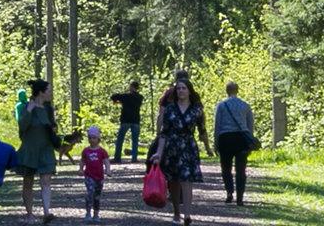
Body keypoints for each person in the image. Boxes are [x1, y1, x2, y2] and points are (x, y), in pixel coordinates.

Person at [153, 70, 209, 225]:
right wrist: (158, 152)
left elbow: (202, 130)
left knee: (187, 180)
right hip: (172, 147)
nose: (181, 91)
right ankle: (177, 211)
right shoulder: (170, 109)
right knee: (174, 182)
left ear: (190, 91)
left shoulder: (197, 109)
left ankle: (187, 215)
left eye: (184, 88)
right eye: (178, 88)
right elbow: (164, 133)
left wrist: (209, 147)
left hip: (188, 147)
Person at [16, 79, 59, 223]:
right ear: (41, 92)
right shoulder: (27, 107)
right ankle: (29, 214)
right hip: (30, 150)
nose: (51, 93)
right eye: (48, 90)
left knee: (46, 181)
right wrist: (29, 110)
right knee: (28, 182)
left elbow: (52, 126)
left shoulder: (48, 109)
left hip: (46, 149)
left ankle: (47, 212)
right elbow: (22, 126)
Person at [213, 81, 257, 205]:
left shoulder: (221, 106)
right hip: (241, 139)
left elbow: (218, 125)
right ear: (238, 90)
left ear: (227, 91)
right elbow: (250, 125)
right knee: (241, 169)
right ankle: (240, 197)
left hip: (226, 138)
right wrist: (250, 141)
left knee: (226, 168)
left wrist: (216, 142)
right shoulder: (245, 105)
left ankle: (229, 192)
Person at [78, 126, 109, 223]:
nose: (92, 140)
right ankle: (88, 213)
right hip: (89, 176)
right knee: (90, 193)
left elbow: (106, 162)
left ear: (98, 139)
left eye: (94, 137)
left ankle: (96, 214)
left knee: (97, 196)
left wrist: (108, 170)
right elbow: (82, 161)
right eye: (90, 138)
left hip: (99, 177)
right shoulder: (86, 151)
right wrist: (80, 169)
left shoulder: (102, 151)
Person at [110, 81, 144, 162]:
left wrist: (118, 101)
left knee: (120, 139)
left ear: (132, 87)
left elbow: (113, 96)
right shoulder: (140, 97)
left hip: (126, 120)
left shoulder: (125, 96)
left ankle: (117, 158)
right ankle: (134, 158)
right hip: (136, 121)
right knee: (135, 141)